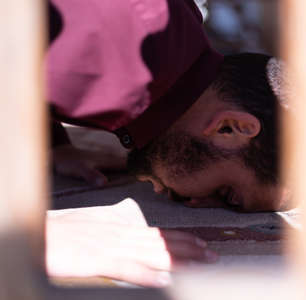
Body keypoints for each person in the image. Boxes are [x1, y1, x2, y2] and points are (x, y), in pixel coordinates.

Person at [46, 0, 290, 287]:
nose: (198, 204)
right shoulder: (115, 39)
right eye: (225, 194)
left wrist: (49, 140)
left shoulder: (162, 41)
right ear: (228, 128)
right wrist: (37, 237)